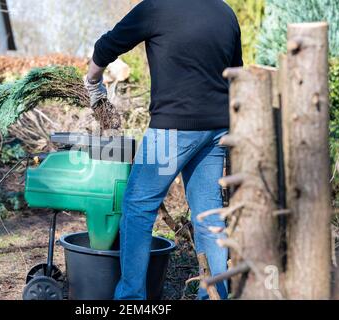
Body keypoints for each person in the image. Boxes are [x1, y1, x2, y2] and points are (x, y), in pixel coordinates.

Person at [84, 0, 243, 300]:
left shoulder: (157, 7)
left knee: (137, 208)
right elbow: (236, 75)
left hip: (171, 131)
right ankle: (214, 296)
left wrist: (92, 81)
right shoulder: (225, 12)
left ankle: (130, 298)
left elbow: (108, 44)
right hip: (217, 129)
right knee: (209, 216)